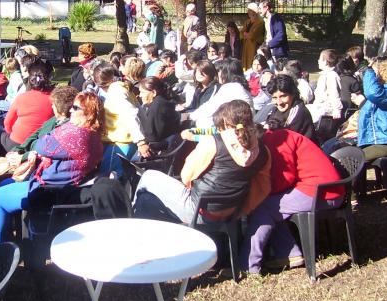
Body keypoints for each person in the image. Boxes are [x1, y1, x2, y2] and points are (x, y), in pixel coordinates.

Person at [0, 91, 105, 246]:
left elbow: (41, 144)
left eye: (75, 108)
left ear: (88, 113)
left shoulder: (77, 134)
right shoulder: (94, 134)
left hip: (50, 191)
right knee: (3, 185)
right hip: (65, 184)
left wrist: (60, 129)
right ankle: (7, 241)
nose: (70, 110)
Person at [134, 100, 271, 223]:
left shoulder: (214, 142)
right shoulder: (263, 151)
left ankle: (132, 220)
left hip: (200, 210)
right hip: (232, 211)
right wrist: (242, 209)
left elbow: (186, 174)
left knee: (148, 176)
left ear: (225, 123)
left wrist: (188, 186)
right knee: (145, 200)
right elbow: (262, 187)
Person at [241, 128, 343, 274]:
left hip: (321, 192)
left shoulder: (275, 141)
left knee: (263, 207)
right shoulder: (277, 136)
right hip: (326, 189)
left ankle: (247, 265)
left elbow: (284, 179)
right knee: (271, 205)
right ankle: (288, 254)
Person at [1, 60, 55, 151]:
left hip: (18, 142)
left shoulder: (21, 98)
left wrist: (11, 132)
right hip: (41, 144)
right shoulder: (54, 99)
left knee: (1, 136)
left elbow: (7, 123)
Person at [188, 59, 252, 129]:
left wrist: (190, 117)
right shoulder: (240, 87)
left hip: (236, 128)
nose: (218, 74)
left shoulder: (231, 87)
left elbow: (209, 108)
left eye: (219, 71)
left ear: (226, 73)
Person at [263, 74, 316, 140]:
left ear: (293, 94)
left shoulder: (298, 112)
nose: (279, 102)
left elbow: (287, 140)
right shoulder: (276, 110)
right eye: (274, 98)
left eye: (283, 96)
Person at [137, 77, 181, 154]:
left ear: (153, 92)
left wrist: (142, 143)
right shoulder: (156, 103)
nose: (140, 95)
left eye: (142, 92)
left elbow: (152, 135)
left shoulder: (158, 105)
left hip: (165, 148)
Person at [306, 49, 343, 123]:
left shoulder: (332, 75)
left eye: (320, 59)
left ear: (326, 62)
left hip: (326, 110)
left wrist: (337, 109)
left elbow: (334, 93)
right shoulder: (324, 75)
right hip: (319, 106)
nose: (318, 61)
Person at [241, 2, 265, 69]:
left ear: (254, 11)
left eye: (250, 10)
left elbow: (253, 35)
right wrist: (246, 34)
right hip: (246, 46)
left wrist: (246, 34)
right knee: (245, 63)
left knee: (253, 62)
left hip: (254, 46)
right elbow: (241, 33)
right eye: (248, 10)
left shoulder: (260, 22)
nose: (248, 12)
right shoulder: (247, 22)